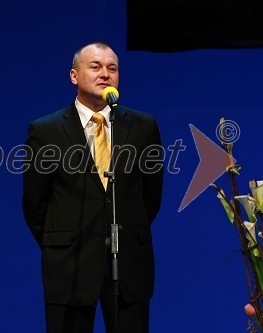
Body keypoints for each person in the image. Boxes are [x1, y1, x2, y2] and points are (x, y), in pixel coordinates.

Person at [22, 42, 163, 333]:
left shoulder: (142, 126)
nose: (105, 74)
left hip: (128, 267)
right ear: (74, 76)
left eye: (112, 68)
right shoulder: (45, 130)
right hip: (69, 269)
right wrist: (62, 242)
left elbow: (151, 197)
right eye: (95, 67)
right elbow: (35, 204)